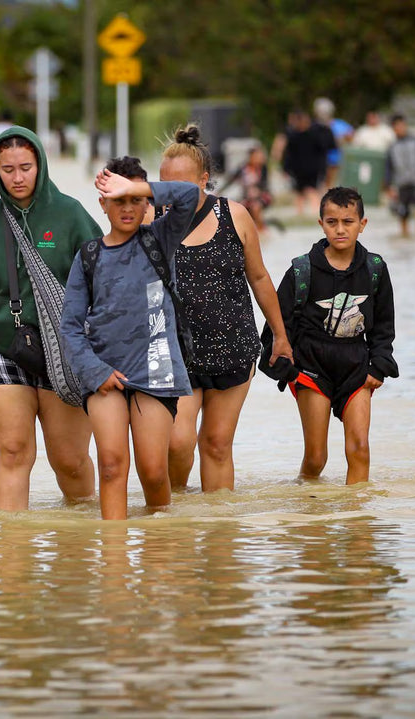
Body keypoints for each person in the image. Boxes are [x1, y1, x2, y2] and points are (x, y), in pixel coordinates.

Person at [0, 126, 98, 512]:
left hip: (64, 349)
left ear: (40, 165)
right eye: (7, 169)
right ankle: (12, 555)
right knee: (13, 450)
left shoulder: (71, 215)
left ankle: (77, 546)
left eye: (25, 167)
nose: (17, 177)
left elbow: (105, 286)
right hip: (0, 346)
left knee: (70, 461)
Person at [60, 158, 199, 519]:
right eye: (117, 200)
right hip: (107, 377)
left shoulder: (160, 239)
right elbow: (70, 327)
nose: (127, 208)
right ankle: (114, 559)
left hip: (156, 372)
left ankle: (161, 550)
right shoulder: (88, 256)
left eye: (134, 200)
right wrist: (95, 372)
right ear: (102, 204)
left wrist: (136, 187)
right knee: (111, 465)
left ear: (146, 201)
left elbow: (190, 195)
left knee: (153, 472)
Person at [159, 125, 293, 493]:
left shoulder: (236, 216)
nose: (171, 194)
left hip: (233, 349)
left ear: (204, 180)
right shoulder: (152, 223)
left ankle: (220, 537)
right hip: (176, 354)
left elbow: (261, 278)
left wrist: (280, 335)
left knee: (217, 444)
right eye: (163, 184)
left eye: (181, 184)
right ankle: (176, 516)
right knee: (177, 442)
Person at [271, 187, 397, 485]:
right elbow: (279, 325)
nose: (340, 229)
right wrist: (285, 366)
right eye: (332, 222)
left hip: (357, 365)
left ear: (362, 224)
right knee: (316, 458)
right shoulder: (301, 270)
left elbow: (384, 326)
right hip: (312, 366)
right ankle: (311, 514)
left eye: (348, 221)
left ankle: (358, 524)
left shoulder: (375, 269)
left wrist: (379, 364)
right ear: (321, 224)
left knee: (360, 449)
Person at [272, 110, 335, 217]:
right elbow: (289, 155)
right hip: (298, 170)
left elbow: (325, 149)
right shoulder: (293, 136)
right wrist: (286, 169)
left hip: (313, 169)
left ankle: (316, 212)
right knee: (299, 192)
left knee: (311, 190)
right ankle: (300, 213)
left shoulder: (316, 134)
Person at [385, 114, 415, 237]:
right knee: (403, 212)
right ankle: (404, 234)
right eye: (397, 126)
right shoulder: (392, 147)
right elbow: (388, 168)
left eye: (402, 125)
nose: (400, 128)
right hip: (401, 183)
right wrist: (388, 186)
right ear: (393, 128)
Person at [217, 145, 273, 232]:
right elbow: (230, 181)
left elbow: (265, 184)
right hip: (247, 197)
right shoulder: (243, 169)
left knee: (256, 207)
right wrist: (219, 192)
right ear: (251, 157)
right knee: (238, 209)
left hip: (261, 196)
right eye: (257, 156)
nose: (260, 158)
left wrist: (258, 191)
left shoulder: (263, 168)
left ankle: (261, 229)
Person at [314, 97, 353, 188]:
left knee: (333, 185)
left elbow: (351, 137)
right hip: (320, 161)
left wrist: (339, 139)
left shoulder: (340, 124)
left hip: (337, 160)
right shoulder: (315, 126)